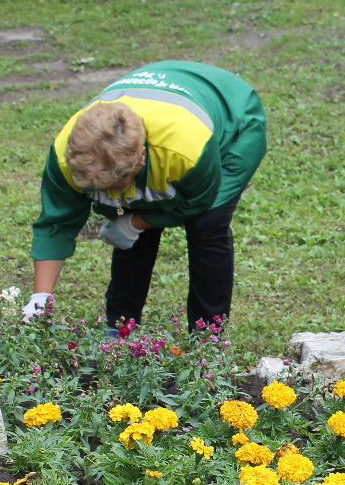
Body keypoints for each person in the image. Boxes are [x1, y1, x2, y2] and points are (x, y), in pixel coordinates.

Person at [24, 60, 267, 333]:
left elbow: (198, 201)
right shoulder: (68, 153)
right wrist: (40, 299)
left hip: (235, 117)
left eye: (114, 183)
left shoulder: (186, 151)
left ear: (141, 158)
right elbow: (56, 225)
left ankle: (208, 340)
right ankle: (119, 329)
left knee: (206, 224)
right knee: (129, 211)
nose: (105, 194)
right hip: (171, 103)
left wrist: (135, 223)